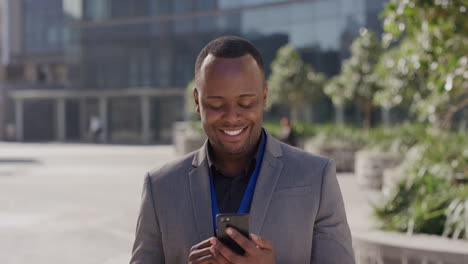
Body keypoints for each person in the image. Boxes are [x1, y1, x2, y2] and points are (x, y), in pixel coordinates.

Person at [130, 36, 354, 264]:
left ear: (265, 96)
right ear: (197, 101)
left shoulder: (316, 177)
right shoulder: (159, 187)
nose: (232, 117)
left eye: (245, 102)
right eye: (217, 104)